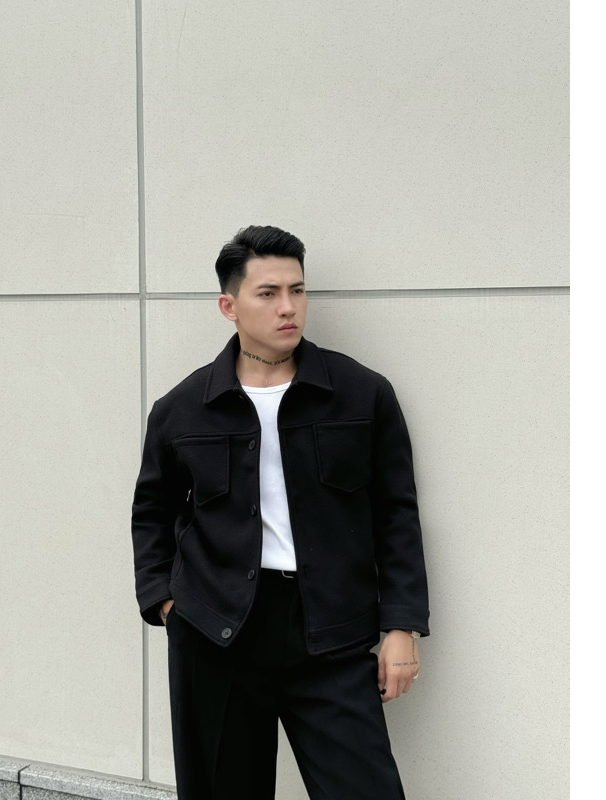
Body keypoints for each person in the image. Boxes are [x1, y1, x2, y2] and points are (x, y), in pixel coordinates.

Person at [131, 225, 429, 800]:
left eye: (297, 290)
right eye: (268, 293)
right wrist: (167, 604)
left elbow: (397, 514)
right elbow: (152, 512)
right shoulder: (182, 408)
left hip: (331, 630)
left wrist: (401, 625)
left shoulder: (361, 394)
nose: (288, 307)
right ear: (229, 306)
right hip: (216, 635)